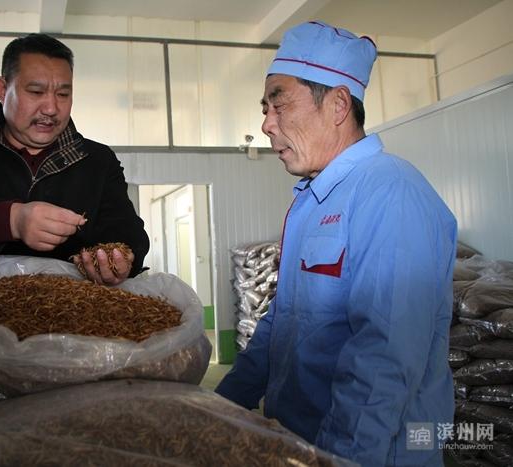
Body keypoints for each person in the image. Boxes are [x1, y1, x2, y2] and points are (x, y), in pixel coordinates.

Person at [215, 21, 456, 466]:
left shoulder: (390, 192)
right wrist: (220, 411)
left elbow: (383, 359)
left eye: (278, 102)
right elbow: (281, 323)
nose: (266, 124)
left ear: (339, 104)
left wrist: (338, 460)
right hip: (302, 444)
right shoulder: (312, 200)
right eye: (264, 107)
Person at [0, 34, 149, 285]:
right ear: (2, 89)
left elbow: (128, 231)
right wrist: (12, 220)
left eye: (63, 94)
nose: (51, 109)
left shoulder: (98, 161)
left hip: (77, 311)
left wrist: (124, 259)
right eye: (36, 91)